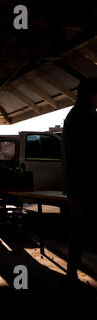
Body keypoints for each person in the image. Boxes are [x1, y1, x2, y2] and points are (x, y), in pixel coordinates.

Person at [62, 77, 97, 288]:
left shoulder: (72, 116)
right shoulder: (87, 117)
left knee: (77, 233)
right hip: (87, 185)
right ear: (90, 94)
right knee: (94, 230)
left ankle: (71, 275)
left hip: (74, 185)